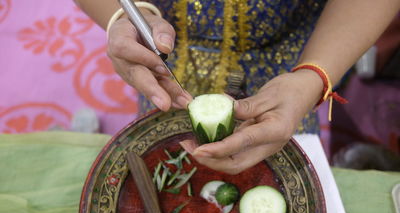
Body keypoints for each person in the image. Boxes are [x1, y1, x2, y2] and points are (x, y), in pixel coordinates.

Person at [74, 0, 400, 174]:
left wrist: (311, 77)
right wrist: (127, 17)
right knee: (167, 165)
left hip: (293, 62)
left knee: (279, 165)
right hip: (164, 52)